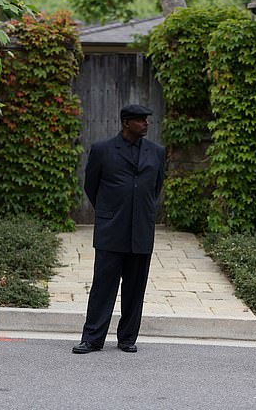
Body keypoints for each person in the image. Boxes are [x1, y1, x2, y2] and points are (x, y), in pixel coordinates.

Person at [72, 104, 166, 354]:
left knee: (135, 288)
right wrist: (110, 211)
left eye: (147, 120)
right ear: (126, 123)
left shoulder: (157, 152)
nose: (146, 124)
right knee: (103, 286)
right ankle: (92, 338)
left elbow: (155, 188)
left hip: (141, 231)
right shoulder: (102, 150)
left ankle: (127, 338)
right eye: (141, 120)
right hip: (111, 229)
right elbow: (91, 187)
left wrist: (139, 210)